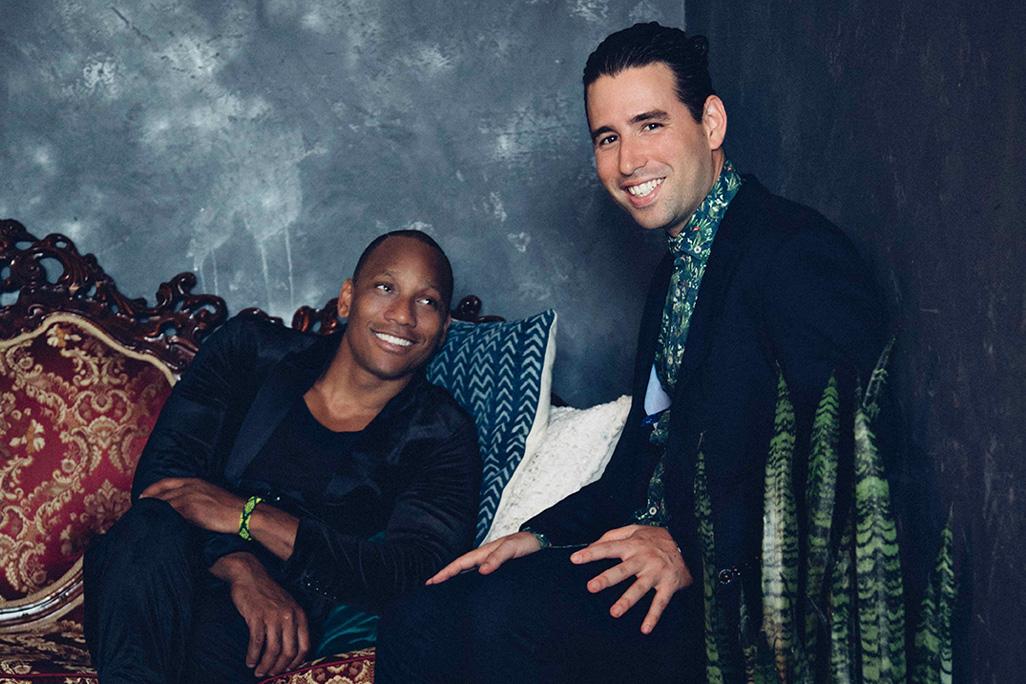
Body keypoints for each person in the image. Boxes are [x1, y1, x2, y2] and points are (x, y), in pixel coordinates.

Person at [375, 22, 888, 682]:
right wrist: (532, 535)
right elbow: (636, 465)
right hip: (642, 564)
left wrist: (689, 548)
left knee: (506, 615)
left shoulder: (794, 254)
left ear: (710, 121)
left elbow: (837, 467)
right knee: (419, 615)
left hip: (734, 600)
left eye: (650, 125)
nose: (627, 162)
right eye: (608, 138)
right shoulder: (673, 273)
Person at [83, 230, 480, 682]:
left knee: (201, 644)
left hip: (280, 615)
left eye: (426, 301)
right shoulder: (247, 351)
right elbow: (165, 482)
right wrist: (238, 564)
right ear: (348, 298)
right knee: (145, 528)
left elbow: (414, 572)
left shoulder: (440, 434)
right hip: (164, 566)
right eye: (385, 287)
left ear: (444, 329)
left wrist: (250, 516)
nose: (403, 316)